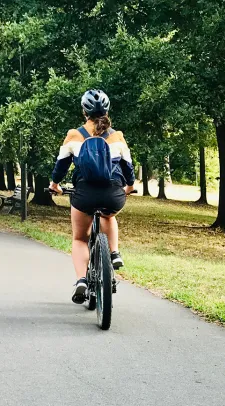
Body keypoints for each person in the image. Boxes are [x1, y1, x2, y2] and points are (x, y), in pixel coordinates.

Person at [49, 89, 135, 303]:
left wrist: (54, 185)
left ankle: (81, 280)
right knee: (109, 215)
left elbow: (61, 166)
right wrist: (129, 187)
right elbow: (128, 167)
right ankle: (114, 253)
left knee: (80, 238)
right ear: (107, 111)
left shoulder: (74, 135)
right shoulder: (117, 136)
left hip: (84, 194)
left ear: (84, 111)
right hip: (112, 192)